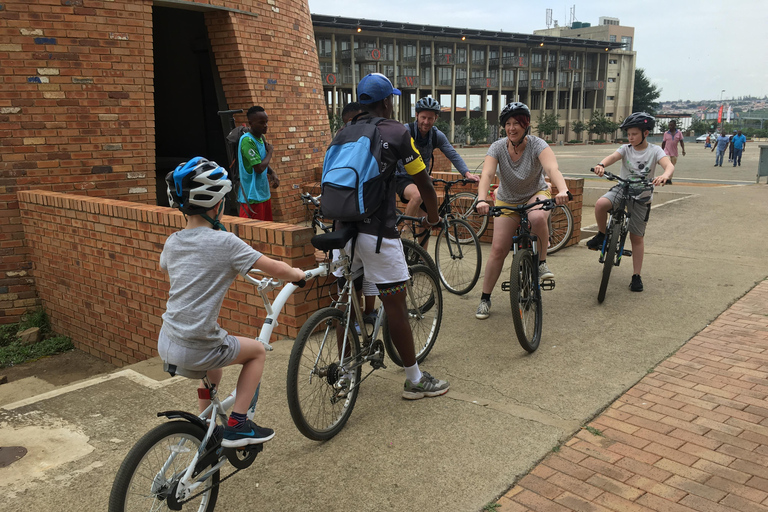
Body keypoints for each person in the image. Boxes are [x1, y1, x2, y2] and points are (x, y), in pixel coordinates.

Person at [160, 157, 305, 447]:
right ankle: (238, 424)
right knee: (257, 352)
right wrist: (296, 274)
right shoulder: (225, 243)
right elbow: (273, 267)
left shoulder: (173, 241)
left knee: (215, 369)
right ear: (217, 205)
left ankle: (205, 424)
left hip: (168, 341)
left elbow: (167, 267)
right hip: (197, 345)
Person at [341, 72, 449, 399]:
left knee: (346, 304)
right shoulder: (396, 131)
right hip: (376, 232)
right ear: (388, 101)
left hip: (340, 232)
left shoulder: (344, 132)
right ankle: (414, 379)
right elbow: (425, 183)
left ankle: (346, 374)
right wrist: (432, 216)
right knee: (397, 305)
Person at [474, 102, 570, 319]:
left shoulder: (537, 144)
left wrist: (562, 189)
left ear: (526, 125)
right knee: (498, 249)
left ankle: (542, 262)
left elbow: (551, 168)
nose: (511, 128)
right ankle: (485, 299)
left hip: (535, 193)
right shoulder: (497, 147)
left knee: (537, 216)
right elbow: (487, 174)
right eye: (507, 123)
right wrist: (481, 199)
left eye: (517, 123)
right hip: (507, 199)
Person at [585, 113, 674, 293]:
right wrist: (601, 165)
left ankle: (636, 276)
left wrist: (664, 175)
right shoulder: (626, 148)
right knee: (601, 204)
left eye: (634, 134)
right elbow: (612, 157)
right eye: (629, 134)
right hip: (622, 188)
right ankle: (602, 234)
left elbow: (669, 165)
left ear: (646, 133)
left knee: (636, 237)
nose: (630, 137)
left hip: (642, 195)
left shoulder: (655, 151)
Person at [395, 97, 479, 245]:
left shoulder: (436, 135)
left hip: (421, 179)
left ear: (436, 119)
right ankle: (406, 230)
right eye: (423, 117)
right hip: (402, 177)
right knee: (418, 195)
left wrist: (466, 173)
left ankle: (422, 260)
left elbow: (452, 153)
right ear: (416, 115)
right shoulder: (405, 131)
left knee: (426, 222)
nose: (426, 122)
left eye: (430, 118)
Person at [238, 106, 279, 221]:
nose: (265, 125)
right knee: (253, 234)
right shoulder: (247, 141)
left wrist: (272, 173)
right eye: (261, 123)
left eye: (266, 122)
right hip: (252, 197)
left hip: (263, 195)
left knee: (267, 231)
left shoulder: (261, 137)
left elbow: (261, 161)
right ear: (251, 123)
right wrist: (270, 152)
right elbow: (259, 168)